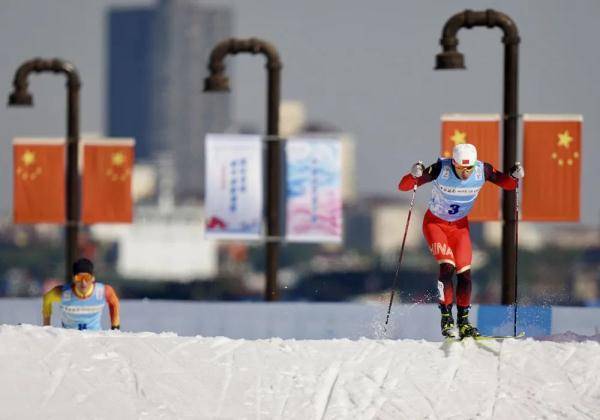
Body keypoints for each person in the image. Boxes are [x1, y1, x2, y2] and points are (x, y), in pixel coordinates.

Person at [398, 143, 524, 338]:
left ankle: (464, 322)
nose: (466, 173)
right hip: (435, 224)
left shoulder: (483, 170)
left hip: (460, 228)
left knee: (465, 274)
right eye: (460, 168)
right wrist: (413, 175)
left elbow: (508, 184)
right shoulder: (441, 168)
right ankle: (447, 319)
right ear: (453, 164)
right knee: (447, 268)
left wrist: (514, 176)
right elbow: (404, 186)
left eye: (469, 168)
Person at [42, 258, 120, 331]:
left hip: (94, 336)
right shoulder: (63, 292)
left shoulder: (103, 291)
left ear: (93, 278)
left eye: (87, 277)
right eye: (79, 278)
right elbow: (47, 298)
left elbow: (114, 303)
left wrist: (115, 326)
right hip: (70, 337)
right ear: (74, 279)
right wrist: (47, 326)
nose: (83, 282)